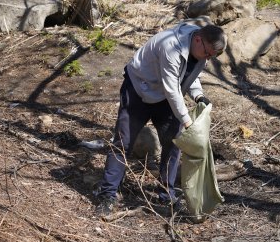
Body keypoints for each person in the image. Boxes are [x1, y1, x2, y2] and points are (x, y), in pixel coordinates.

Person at [95, 22, 227, 216]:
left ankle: (167, 194)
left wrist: (198, 94)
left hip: (164, 97)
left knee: (173, 142)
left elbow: (189, 72)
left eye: (211, 56)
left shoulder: (201, 48)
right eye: (207, 53)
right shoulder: (171, 46)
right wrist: (186, 120)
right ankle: (108, 194)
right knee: (124, 142)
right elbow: (172, 88)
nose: (208, 58)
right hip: (138, 90)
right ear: (198, 40)